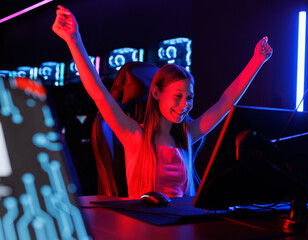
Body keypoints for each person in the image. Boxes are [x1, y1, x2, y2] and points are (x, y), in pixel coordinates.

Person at [52, 5, 273, 198]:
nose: (184, 105)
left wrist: (257, 61)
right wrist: (74, 40)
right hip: (142, 228)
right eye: (177, 97)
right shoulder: (134, 135)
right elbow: (98, 93)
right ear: (156, 93)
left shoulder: (186, 136)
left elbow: (224, 103)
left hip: (179, 226)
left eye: (189, 98)